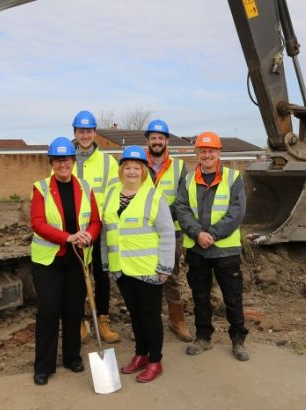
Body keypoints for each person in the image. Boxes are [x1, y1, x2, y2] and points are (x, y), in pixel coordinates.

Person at [30, 136, 102, 386]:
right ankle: (44, 365)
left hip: (77, 259)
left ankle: (72, 357)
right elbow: (38, 223)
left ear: (73, 161)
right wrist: (67, 237)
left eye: (67, 160)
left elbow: (95, 221)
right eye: (58, 160)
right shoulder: (40, 188)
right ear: (52, 162)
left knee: (74, 310)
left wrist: (88, 237)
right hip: (48, 261)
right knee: (48, 311)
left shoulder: (84, 186)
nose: (63, 165)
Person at [100, 145, 175, 382]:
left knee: (150, 315)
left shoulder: (153, 196)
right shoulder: (112, 194)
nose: (131, 171)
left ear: (144, 171)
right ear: (121, 170)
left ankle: (155, 360)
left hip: (147, 269)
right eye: (127, 167)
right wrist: (106, 261)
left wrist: (165, 266)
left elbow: (167, 232)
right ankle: (141, 354)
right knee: (134, 314)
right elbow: (106, 231)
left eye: (136, 167)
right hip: (121, 268)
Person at [175, 132, 250, 361]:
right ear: (197, 153)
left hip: (226, 250)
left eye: (211, 151)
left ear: (219, 152)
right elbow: (182, 208)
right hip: (198, 249)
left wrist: (213, 234)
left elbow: (236, 212)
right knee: (200, 296)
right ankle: (203, 337)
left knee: (233, 297)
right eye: (203, 151)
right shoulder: (188, 179)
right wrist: (198, 234)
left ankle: (238, 340)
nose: (207, 155)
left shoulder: (233, 178)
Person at [71, 110, 121, 343]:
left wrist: (105, 223)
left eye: (89, 131)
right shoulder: (65, 159)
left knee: (101, 277)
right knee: (80, 275)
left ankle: (102, 319)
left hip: (99, 227)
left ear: (94, 133)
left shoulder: (107, 162)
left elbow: (114, 194)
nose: (85, 135)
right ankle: (80, 321)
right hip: (76, 229)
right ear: (75, 133)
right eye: (81, 131)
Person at [143, 119, 192, 342]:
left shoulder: (179, 167)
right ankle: (146, 323)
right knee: (143, 277)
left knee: (171, 276)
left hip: (172, 232)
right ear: (148, 141)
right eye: (153, 138)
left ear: (166, 140)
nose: (156, 141)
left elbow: (183, 201)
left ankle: (177, 321)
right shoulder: (136, 164)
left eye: (160, 138)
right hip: (142, 232)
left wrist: (162, 219)